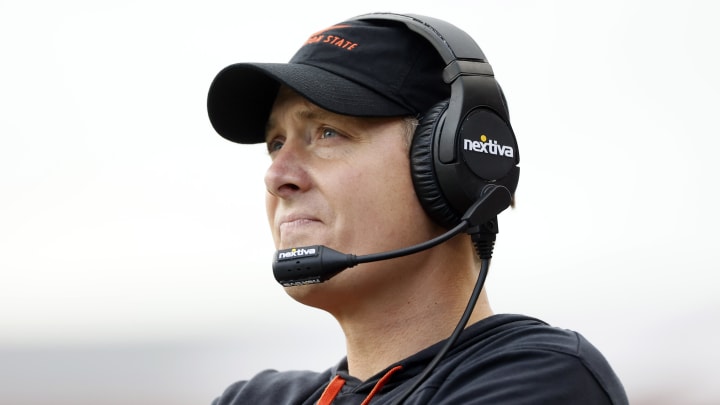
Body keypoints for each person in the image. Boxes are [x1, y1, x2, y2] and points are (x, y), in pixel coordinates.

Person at [206, 12, 628, 405]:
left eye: (328, 133)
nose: (276, 175)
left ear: (451, 163)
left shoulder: (540, 380)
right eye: (276, 143)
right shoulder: (256, 398)